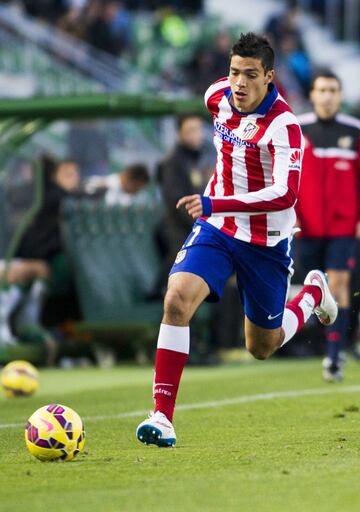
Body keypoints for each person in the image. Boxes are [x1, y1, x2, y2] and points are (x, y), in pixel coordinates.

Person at [135, 32, 338, 448]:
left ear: (269, 77)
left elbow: (285, 194)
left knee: (262, 346)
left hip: (265, 242)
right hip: (218, 229)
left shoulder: (285, 127)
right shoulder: (217, 97)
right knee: (176, 299)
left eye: (249, 75)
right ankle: (162, 416)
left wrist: (215, 202)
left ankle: (311, 292)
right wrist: (216, 209)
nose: (239, 83)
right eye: (233, 73)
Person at [295, 69, 360, 382]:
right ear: (312, 94)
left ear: (340, 94)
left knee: (338, 285)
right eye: (322, 90)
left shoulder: (354, 130)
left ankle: (334, 357)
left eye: (333, 90)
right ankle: (292, 344)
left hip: (342, 226)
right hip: (302, 226)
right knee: (302, 290)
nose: (328, 95)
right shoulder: (296, 129)